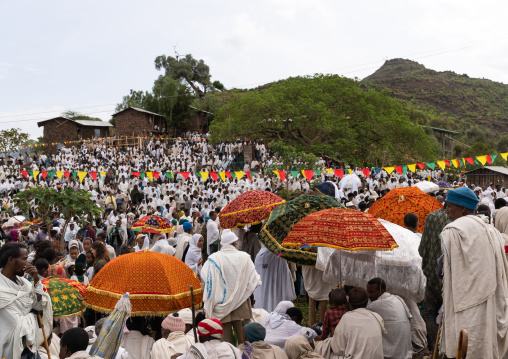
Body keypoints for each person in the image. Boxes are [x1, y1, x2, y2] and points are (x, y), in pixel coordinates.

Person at [440, 187, 508, 358]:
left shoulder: (453, 231)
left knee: (465, 346)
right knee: (483, 344)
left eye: (449, 206)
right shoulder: (492, 231)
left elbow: (445, 271)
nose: (446, 211)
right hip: (490, 302)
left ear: (462, 208)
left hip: (463, 305)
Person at [201, 229, 261, 344]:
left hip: (221, 307)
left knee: (225, 341)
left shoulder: (214, 259)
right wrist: (242, 291)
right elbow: (254, 280)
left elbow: (206, 277)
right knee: (245, 339)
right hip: (241, 303)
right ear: (235, 242)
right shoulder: (244, 257)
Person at [0, 242, 52, 359]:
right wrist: (34, 314)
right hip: (13, 352)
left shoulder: (25, 283)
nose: (27, 263)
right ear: (11, 260)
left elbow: (40, 305)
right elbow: (18, 324)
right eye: (24, 259)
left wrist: (36, 280)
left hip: (30, 349)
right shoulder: (1, 291)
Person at [315, 287, 385, 359]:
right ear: (367, 302)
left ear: (349, 303)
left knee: (322, 349)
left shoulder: (346, 317)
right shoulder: (376, 316)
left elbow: (338, 349)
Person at [417, 207, 449, 351]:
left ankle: (434, 349)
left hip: (432, 276)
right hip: (451, 279)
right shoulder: (459, 221)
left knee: (430, 313)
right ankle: (448, 348)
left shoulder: (432, 217)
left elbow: (422, 249)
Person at [366, 278, 412, 359]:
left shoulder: (377, 305)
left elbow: (361, 315)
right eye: (368, 292)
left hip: (391, 354)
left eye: (371, 292)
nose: (369, 295)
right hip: (406, 352)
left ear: (382, 291)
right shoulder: (396, 299)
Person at [253, 245, 296, 313]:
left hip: (275, 258)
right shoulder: (264, 254)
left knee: (273, 287)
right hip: (269, 258)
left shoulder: (278, 254)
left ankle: (273, 309)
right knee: (265, 286)